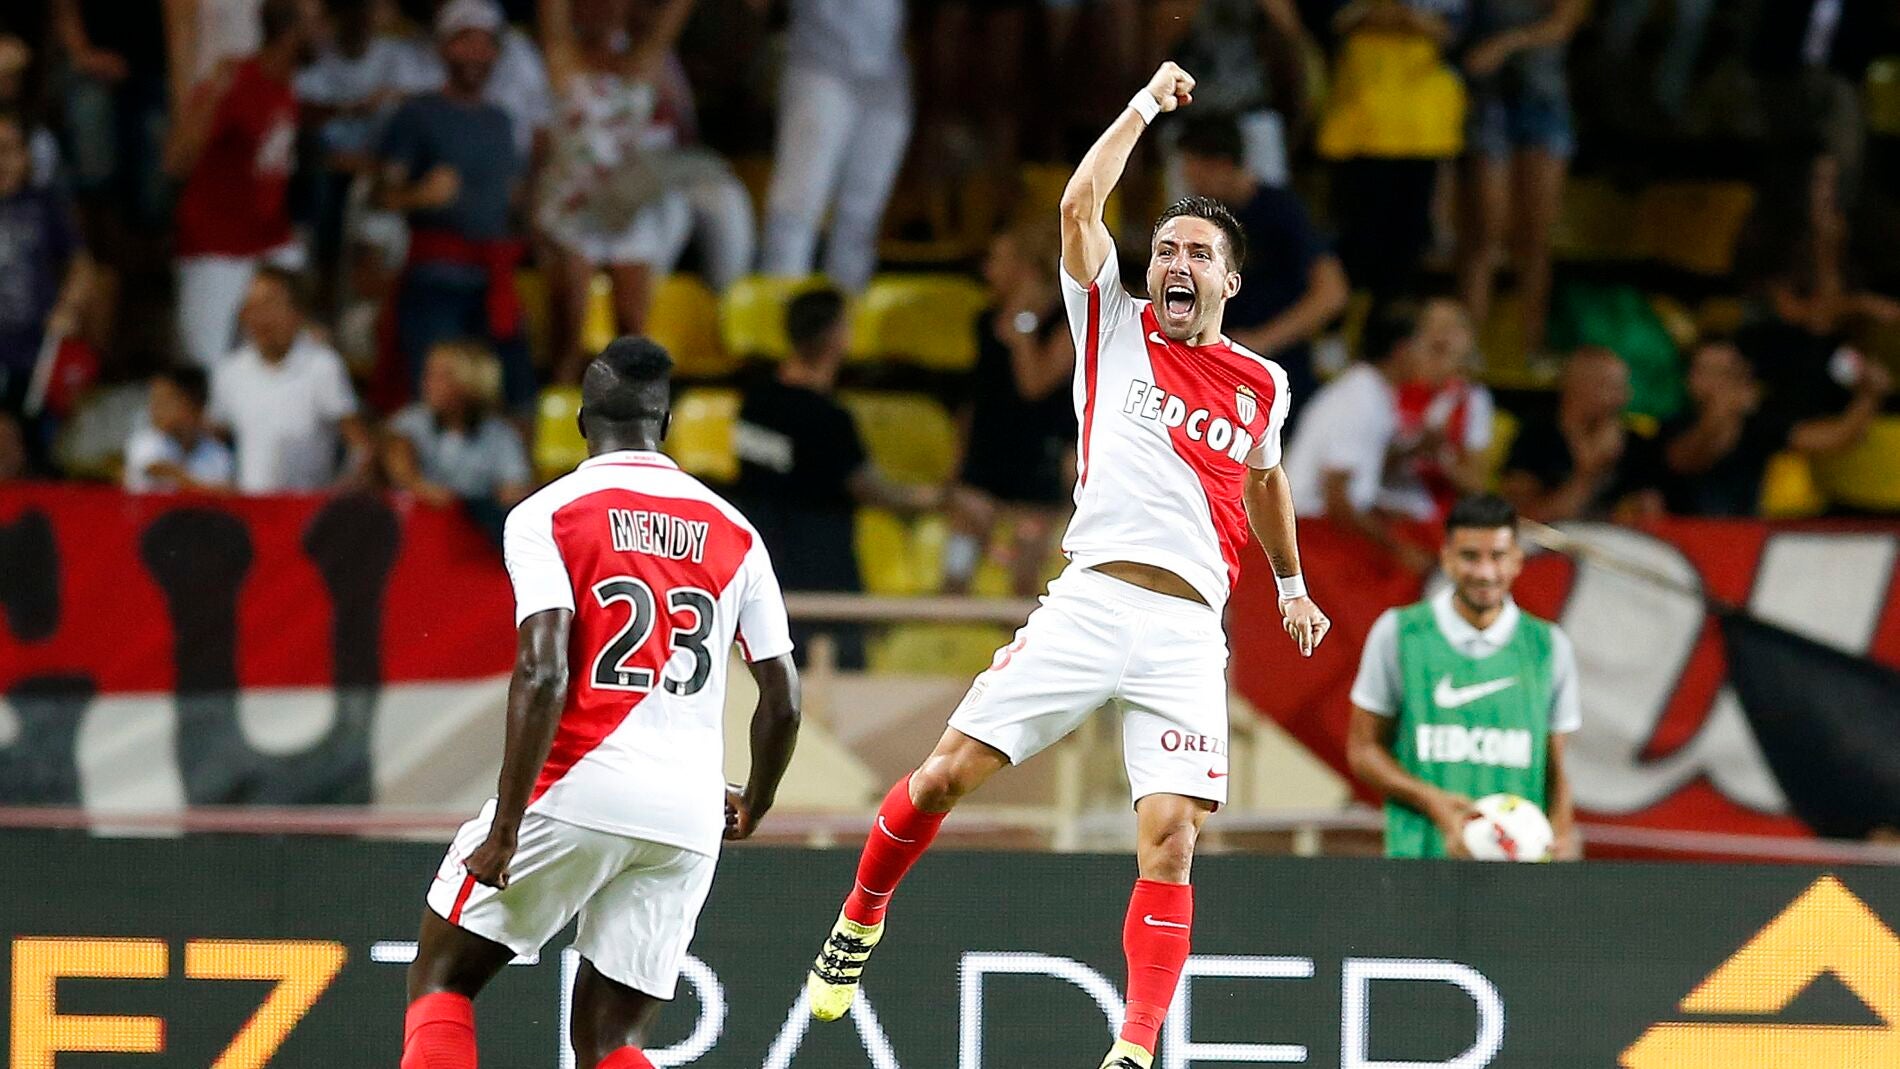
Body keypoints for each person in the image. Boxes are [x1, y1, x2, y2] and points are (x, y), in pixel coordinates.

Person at [802, 64, 1330, 1069]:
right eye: (1165, 247)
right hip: (1089, 601)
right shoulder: (1110, 321)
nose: (1174, 261)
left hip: (1184, 631)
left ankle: (1132, 1048)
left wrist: (1290, 582)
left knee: (1172, 835)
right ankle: (861, 912)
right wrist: (1139, 106)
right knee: (946, 775)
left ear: (1228, 282)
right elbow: (1079, 203)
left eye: (1196, 254)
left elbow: (1265, 482)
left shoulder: (1261, 382)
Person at [399, 337, 801, 1069]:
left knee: (442, 976)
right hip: (687, 813)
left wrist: (508, 825)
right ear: (667, 424)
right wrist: (757, 801)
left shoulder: (547, 515)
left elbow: (544, 668)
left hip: (575, 783)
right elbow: (783, 698)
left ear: (583, 420)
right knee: (610, 1040)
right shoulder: (738, 533)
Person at [1346, 493, 1581, 859]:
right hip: (1420, 857)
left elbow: (1557, 767)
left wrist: (1559, 834)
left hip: (1515, 864)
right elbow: (1363, 750)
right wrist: (1433, 801)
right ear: (1447, 559)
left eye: (1498, 556)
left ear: (1518, 560)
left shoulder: (1548, 646)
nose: (1485, 572)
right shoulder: (1400, 633)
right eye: (1471, 556)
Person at [538, 0, 754, 382]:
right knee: (570, 334)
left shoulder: (642, 64)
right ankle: (565, 417)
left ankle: (635, 414)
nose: (605, 12)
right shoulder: (562, 59)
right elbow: (551, 14)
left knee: (632, 330)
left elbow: (673, 16)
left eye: (614, 7)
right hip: (572, 204)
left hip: (625, 205)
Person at [732, 287, 938, 664]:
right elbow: (869, 488)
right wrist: (937, 498)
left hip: (762, 567)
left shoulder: (754, 402)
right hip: (822, 568)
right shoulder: (828, 419)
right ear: (836, 337)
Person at [377, 0, 534, 412]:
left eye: (486, 44)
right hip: (436, 276)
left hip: (493, 277)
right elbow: (380, 195)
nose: (476, 54)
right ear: (444, 48)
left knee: (516, 395)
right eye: (466, 41)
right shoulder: (417, 113)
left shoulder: (502, 120)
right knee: (434, 395)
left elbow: (512, 198)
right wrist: (419, 196)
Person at [166, 0, 309, 367]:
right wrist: (210, 98)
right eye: (318, 22)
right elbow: (176, 162)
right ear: (293, 34)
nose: (326, 32)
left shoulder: (288, 86)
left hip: (269, 242)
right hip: (216, 247)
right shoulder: (234, 81)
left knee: (290, 357)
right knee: (206, 364)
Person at [1175, 113, 1348, 416]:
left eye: (1197, 173)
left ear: (1222, 164)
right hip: (1214, 372)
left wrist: (1261, 341)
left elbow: (1331, 294)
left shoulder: (1280, 211)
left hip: (1278, 372)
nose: (1191, 183)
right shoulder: (1203, 219)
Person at [943, 219, 1077, 597]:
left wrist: (1022, 328)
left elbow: (1034, 384)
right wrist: (958, 468)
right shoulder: (984, 321)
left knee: (1024, 584)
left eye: (998, 260)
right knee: (955, 574)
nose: (989, 271)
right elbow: (977, 398)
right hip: (983, 469)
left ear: (1026, 267)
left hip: (1038, 471)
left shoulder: (1068, 325)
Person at [1455, 0, 1587, 359]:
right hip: (1489, 103)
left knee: (1535, 238)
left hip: (1544, 103)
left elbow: (1565, 22)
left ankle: (1533, 347)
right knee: (1485, 235)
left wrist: (1506, 43)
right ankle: (1467, 349)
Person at [757, 0, 912, 292]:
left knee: (861, 219)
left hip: (886, 68)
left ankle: (840, 328)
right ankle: (778, 317)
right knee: (797, 209)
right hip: (820, 60)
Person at [1282, 300, 1436, 574]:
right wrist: (1398, 549)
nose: (1432, 358)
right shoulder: (1361, 398)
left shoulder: (1372, 391)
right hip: (1310, 535)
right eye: (1428, 348)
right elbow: (1337, 499)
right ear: (1402, 351)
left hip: (1316, 527)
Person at [208, 268, 376, 493]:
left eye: (270, 304)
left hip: (306, 512)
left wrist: (339, 493)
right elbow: (212, 443)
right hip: (250, 510)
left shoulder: (322, 366)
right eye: (252, 306)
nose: (260, 315)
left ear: (297, 312)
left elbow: (361, 447)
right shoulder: (229, 371)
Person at [1499, 346, 1663, 522]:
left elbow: (1651, 517)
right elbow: (1523, 519)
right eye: (1612, 387)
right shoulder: (1536, 436)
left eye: (1623, 387)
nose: (1624, 398)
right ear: (1577, 387)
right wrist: (1587, 475)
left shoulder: (1634, 442)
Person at [0, 109, 90, 417]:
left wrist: (69, 307)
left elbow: (81, 265)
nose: (2, 161)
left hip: (35, 352)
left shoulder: (44, 205)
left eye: (9, 150)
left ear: (26, 156)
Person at [384, 340, 534, 511]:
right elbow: (400, 470)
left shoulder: (500, 435)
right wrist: (429, 492)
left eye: (442, 376)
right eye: (428, 374)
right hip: (424, 522)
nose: (428, 383)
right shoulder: (409, 423)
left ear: (470, 382)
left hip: (476, 524)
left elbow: (515, 487)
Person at [1382, 297, 1496, 522]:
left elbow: (1477, 486)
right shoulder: (1387, 387)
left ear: (1469, 340)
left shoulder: (1472, 399)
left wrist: (1441, 458)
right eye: (1431, 326)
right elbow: (1360, 468)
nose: (1440, 335)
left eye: (1451, 327)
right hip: (1380, 507)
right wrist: (1413, 450)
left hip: (1435, 516)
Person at [123, 366, 234, 493]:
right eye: (153, 401)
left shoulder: (217, 453)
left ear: (194, 405)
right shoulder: (144, 442)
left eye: (164, 402)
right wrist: (207, 490)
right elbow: (158, 469)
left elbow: (227, 492)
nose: (154, 410)